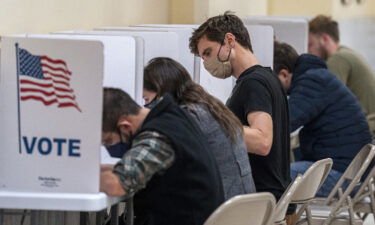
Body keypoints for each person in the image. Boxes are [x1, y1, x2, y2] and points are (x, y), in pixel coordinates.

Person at [189, 11, 295, 221]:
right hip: (271, 197)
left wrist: (211, 126)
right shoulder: (267, 77)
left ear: (229, 40)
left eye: (208, 53)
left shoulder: (253, 84)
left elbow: (262, 141)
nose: (206, 63)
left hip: (257, 200)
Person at [100, 88, 224, 225]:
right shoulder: (173, 116)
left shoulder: (157, 136)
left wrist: (81, 178)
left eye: (108, 141)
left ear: (125, 127)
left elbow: (116, 184)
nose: (108, 146)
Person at [143, 57, 256, 200]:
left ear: (160, 93)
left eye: (146, 99)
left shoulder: (190, 115)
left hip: (220, 211)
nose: (146, 106)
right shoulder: (210, 105)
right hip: (241, 208)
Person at [273, 41, 372, 196]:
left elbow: (282, 125)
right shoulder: (318, 77)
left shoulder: (312, 82)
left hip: (342, 177)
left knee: (270, 177)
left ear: (284, 74)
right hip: (351, 173)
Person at [308, 15, 375, 135]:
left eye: (310, 45)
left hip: (367, 128)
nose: (308, 52)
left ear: (324, 39)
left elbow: (330, 104)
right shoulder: (347, 52)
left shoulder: (338, 58)